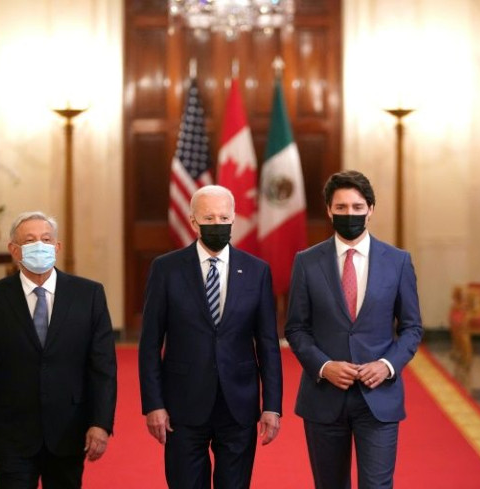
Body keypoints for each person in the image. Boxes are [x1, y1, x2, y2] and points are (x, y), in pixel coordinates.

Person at [139, 185, 283, 489]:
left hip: (238, 404)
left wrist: (272, 405)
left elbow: (268, 344)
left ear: (234, 220)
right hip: (182, 404)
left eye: (223, 217)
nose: (217, 224)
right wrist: (153, 403)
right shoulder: (166, 269)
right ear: (193, 221)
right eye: (208, 217)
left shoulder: (257, 271)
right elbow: (150, 343)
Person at [285, 171, 423, 489]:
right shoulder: (306, 262)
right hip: (323, 397)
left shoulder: (398, 261)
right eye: (342, 208)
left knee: (377, 485)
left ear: (370, 209)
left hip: (378, 397)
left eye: (357, 207)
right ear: (329, 211)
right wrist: (324, 366)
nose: (350, 214)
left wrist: (387, 366)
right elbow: (296, 328)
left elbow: (412, 327)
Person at [0, 211, 117, 489]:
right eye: (30, 240)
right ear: (14, 250)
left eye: (46, 239)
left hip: (68, 431)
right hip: (12, 432)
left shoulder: (88, 295)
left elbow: (103, 368)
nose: (40, 245)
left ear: (57, 247)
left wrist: (101, 424)